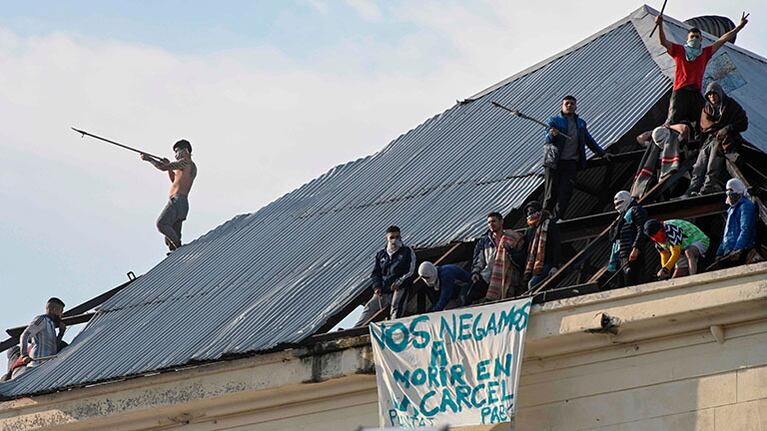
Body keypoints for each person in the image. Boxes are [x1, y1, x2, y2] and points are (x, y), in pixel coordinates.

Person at [655, 12, 749, 126]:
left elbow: (723, 39)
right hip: (680, 91)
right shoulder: (679, 50)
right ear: (687, 39)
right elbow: (663, 42)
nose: (694, 38)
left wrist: (739, 27)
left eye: (697, 37)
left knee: (703, 122)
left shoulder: (705, 53)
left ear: (701, 39)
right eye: (692, 37)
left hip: (695, 92)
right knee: (672, 120)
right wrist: (660, 25)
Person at [544, 96, 609, 219]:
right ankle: (544, 218)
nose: (569, 105)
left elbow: (589, 140)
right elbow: (547, 139)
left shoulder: (580, 123)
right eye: (567, 103)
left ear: (576, 106)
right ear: (561, 106)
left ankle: (557, 218)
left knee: (565, 192)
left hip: (570, 162)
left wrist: (602, 153)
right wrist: (552, 134)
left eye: (572, 103)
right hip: (554, 162)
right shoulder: (553, 121)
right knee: (551, 193)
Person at [684, 82, 749, 197]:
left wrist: (728, 128)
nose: (712, 97)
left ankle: (708, 187)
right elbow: (704, 127)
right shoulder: (707, 110)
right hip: (710, 139)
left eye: (714, 94)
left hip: (726, 140)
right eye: (709, 95)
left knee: (713, 162)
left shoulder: (730, 106)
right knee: (699, 164)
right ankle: (692, 189)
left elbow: (743, 122)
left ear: (720, 94)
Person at [141, 139, 198, 252]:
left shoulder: (186, 162)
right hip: (182, 203)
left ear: (186, 150)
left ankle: (178, 245)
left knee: (162, 224)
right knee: (170, 239)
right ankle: (176, 250)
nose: (176, 155)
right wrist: (169, 168)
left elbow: (162, 167)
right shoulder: (187, 167)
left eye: (177, 151)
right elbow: (175, 180)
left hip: (177, 201)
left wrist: (149, 159)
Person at [355, 226, 416, 325]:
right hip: (383, 289)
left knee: (396, 306)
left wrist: (399, 282)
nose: (395, 240)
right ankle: (355, 330)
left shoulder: (407, 252)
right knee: (369, 307)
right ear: (386, 238)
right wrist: (377, 286)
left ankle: (393, 327)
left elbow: (411, 271)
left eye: (397, 237)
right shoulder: (381, 254)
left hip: (399, 287)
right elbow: (376, 273)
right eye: (392, 237)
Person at [13, 297, 66, 379]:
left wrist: (61, 333)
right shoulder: (42, 320)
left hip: (47, 366)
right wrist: (24, 355)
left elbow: (54, 346)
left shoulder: (51, 324)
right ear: (55, 309)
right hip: (37, 366)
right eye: (61, 311)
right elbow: (25, 335)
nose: (61, 314)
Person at [644, 219, 710, 279]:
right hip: (681, 248)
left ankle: (693, 278)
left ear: (661, 229)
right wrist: (666, 269)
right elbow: (664, 253)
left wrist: (665, 269)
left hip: (700, 240)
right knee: (676, 277)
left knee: (689, 252)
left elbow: (675, 252)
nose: (657, 238)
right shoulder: (655, 238)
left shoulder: (671, 229)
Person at [607, 191, 648, 287]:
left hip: (632, 253)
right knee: (622, 282)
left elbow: (642, 230)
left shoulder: (636, 210)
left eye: (620, 203)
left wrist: (636, 248)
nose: (617, 206)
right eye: (616, 204)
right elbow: (613, 237)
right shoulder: (621, 218)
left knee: (632, 279)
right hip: (621, 254)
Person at [715, 178, 756, 266]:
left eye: (731, 191)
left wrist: (738, 249)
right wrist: (720, 252)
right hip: (729, 253)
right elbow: (727, 234)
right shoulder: (731, 209)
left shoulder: (746, 206)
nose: (729, 195)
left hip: (740, 252)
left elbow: (746, 229)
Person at [466, 212, 504, 304]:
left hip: (505, 275)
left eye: (494, 221)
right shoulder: (484, 242)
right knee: (470, 296)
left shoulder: (510, 237)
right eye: (489, 222)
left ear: (501, 221)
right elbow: (479, 260)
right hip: (488, 276)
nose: (491, 224)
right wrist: (475, 272)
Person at [522, 201, 562, 290]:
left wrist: (555, 266)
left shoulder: (549, 223)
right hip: (533, 266)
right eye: (528, 211)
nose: (529, 213)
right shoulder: (529, 230)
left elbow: (556, 244)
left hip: (548, 263)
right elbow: (526, 251)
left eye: (531, 210)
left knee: (533, 284)